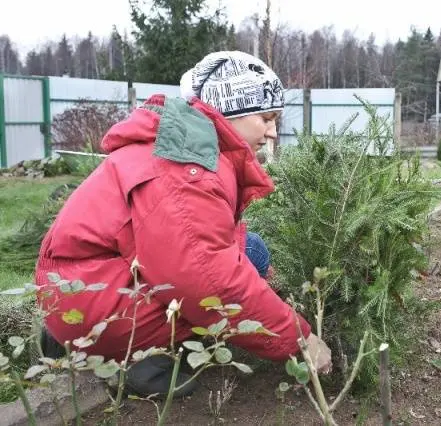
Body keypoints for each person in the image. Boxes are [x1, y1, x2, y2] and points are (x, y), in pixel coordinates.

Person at [35, 51, 331, 398]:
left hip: (84, 287)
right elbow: (208, 283)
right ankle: (137, 363)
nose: (273, 133)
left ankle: (74, 336)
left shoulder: (187, 147)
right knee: (206, 296)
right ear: (230, 111)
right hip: (93, 303)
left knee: (252, 251)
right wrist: (300, 338)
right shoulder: (185, 171)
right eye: (266, 118)